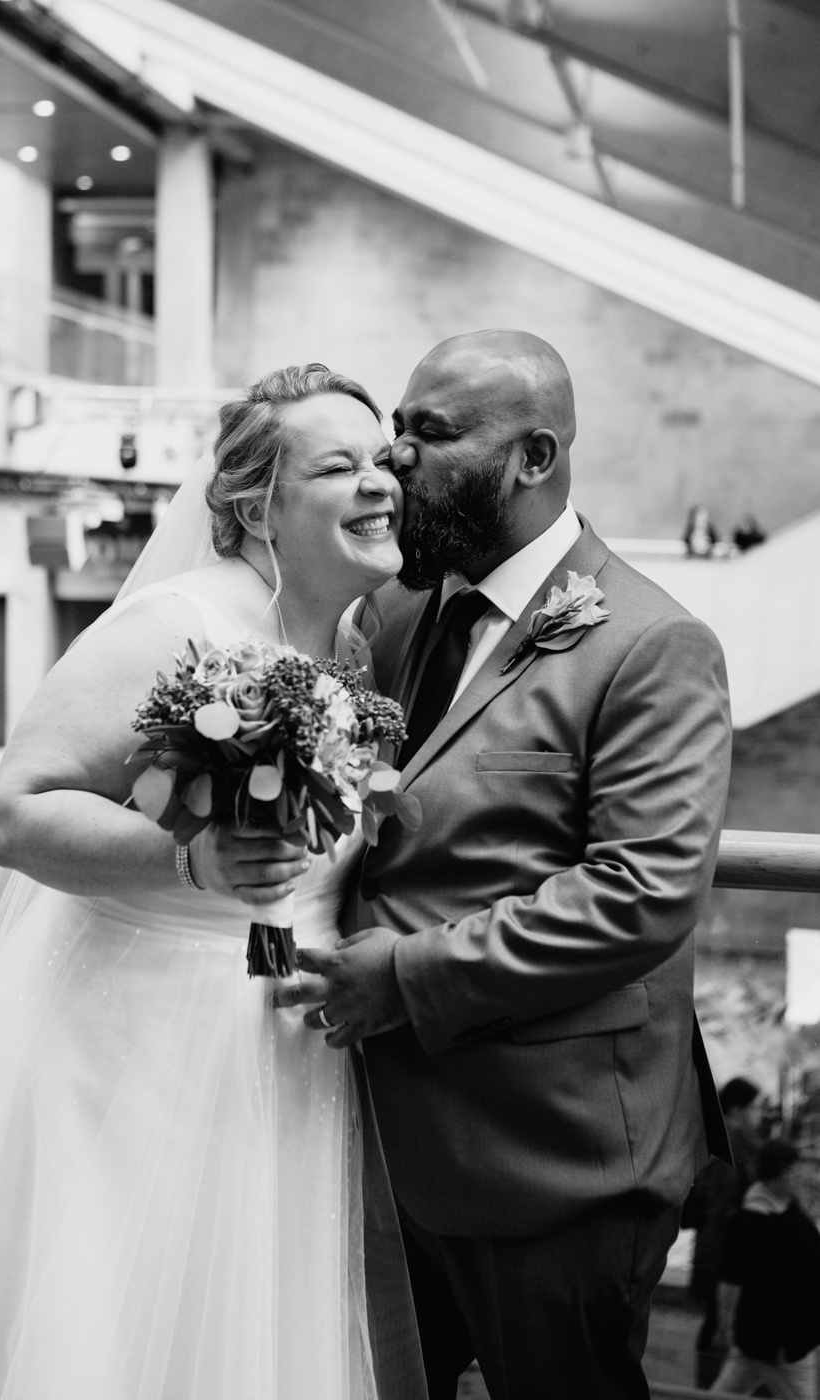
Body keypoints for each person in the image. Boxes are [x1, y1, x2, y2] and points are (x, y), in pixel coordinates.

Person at [0, 365, 426, 1400]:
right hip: (133, 1058)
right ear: (255, 504)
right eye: (340, 465)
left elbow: (281, 888)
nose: (380, 483)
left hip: (274, 1046)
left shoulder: (351, 645)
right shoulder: (178, 623)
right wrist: (185, 857)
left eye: (381, 460)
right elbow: (17, 810)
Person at [279, 330, 734, 1400]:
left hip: (558, 1161)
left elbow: (643, 892)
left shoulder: (653, 643)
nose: (393, 458)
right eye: (395, 426)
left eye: (428, 434)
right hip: (382, 1143)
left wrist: (400, 974)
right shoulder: (392, 613)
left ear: (533, 458)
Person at [713, 1138, 820, 1399]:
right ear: (778, 1175)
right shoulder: (750, 1223)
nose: (804, 1176)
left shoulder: (788, 1206)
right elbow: (731, 1281)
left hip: (771, 1337)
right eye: (796, 1171)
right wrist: (723, 1327)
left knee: (727, 1391)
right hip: (780, 1340)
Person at [690, 1077, 763, 1387]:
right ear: (737, 1109)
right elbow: (721, 1208)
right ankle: (707, 1389)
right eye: (756, 1107)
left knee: (719, 1320)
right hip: (723, 1253)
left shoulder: (737, 1141)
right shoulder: (729, 1146)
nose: (761, 1114)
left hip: (725, 1250)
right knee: (717, 1321)